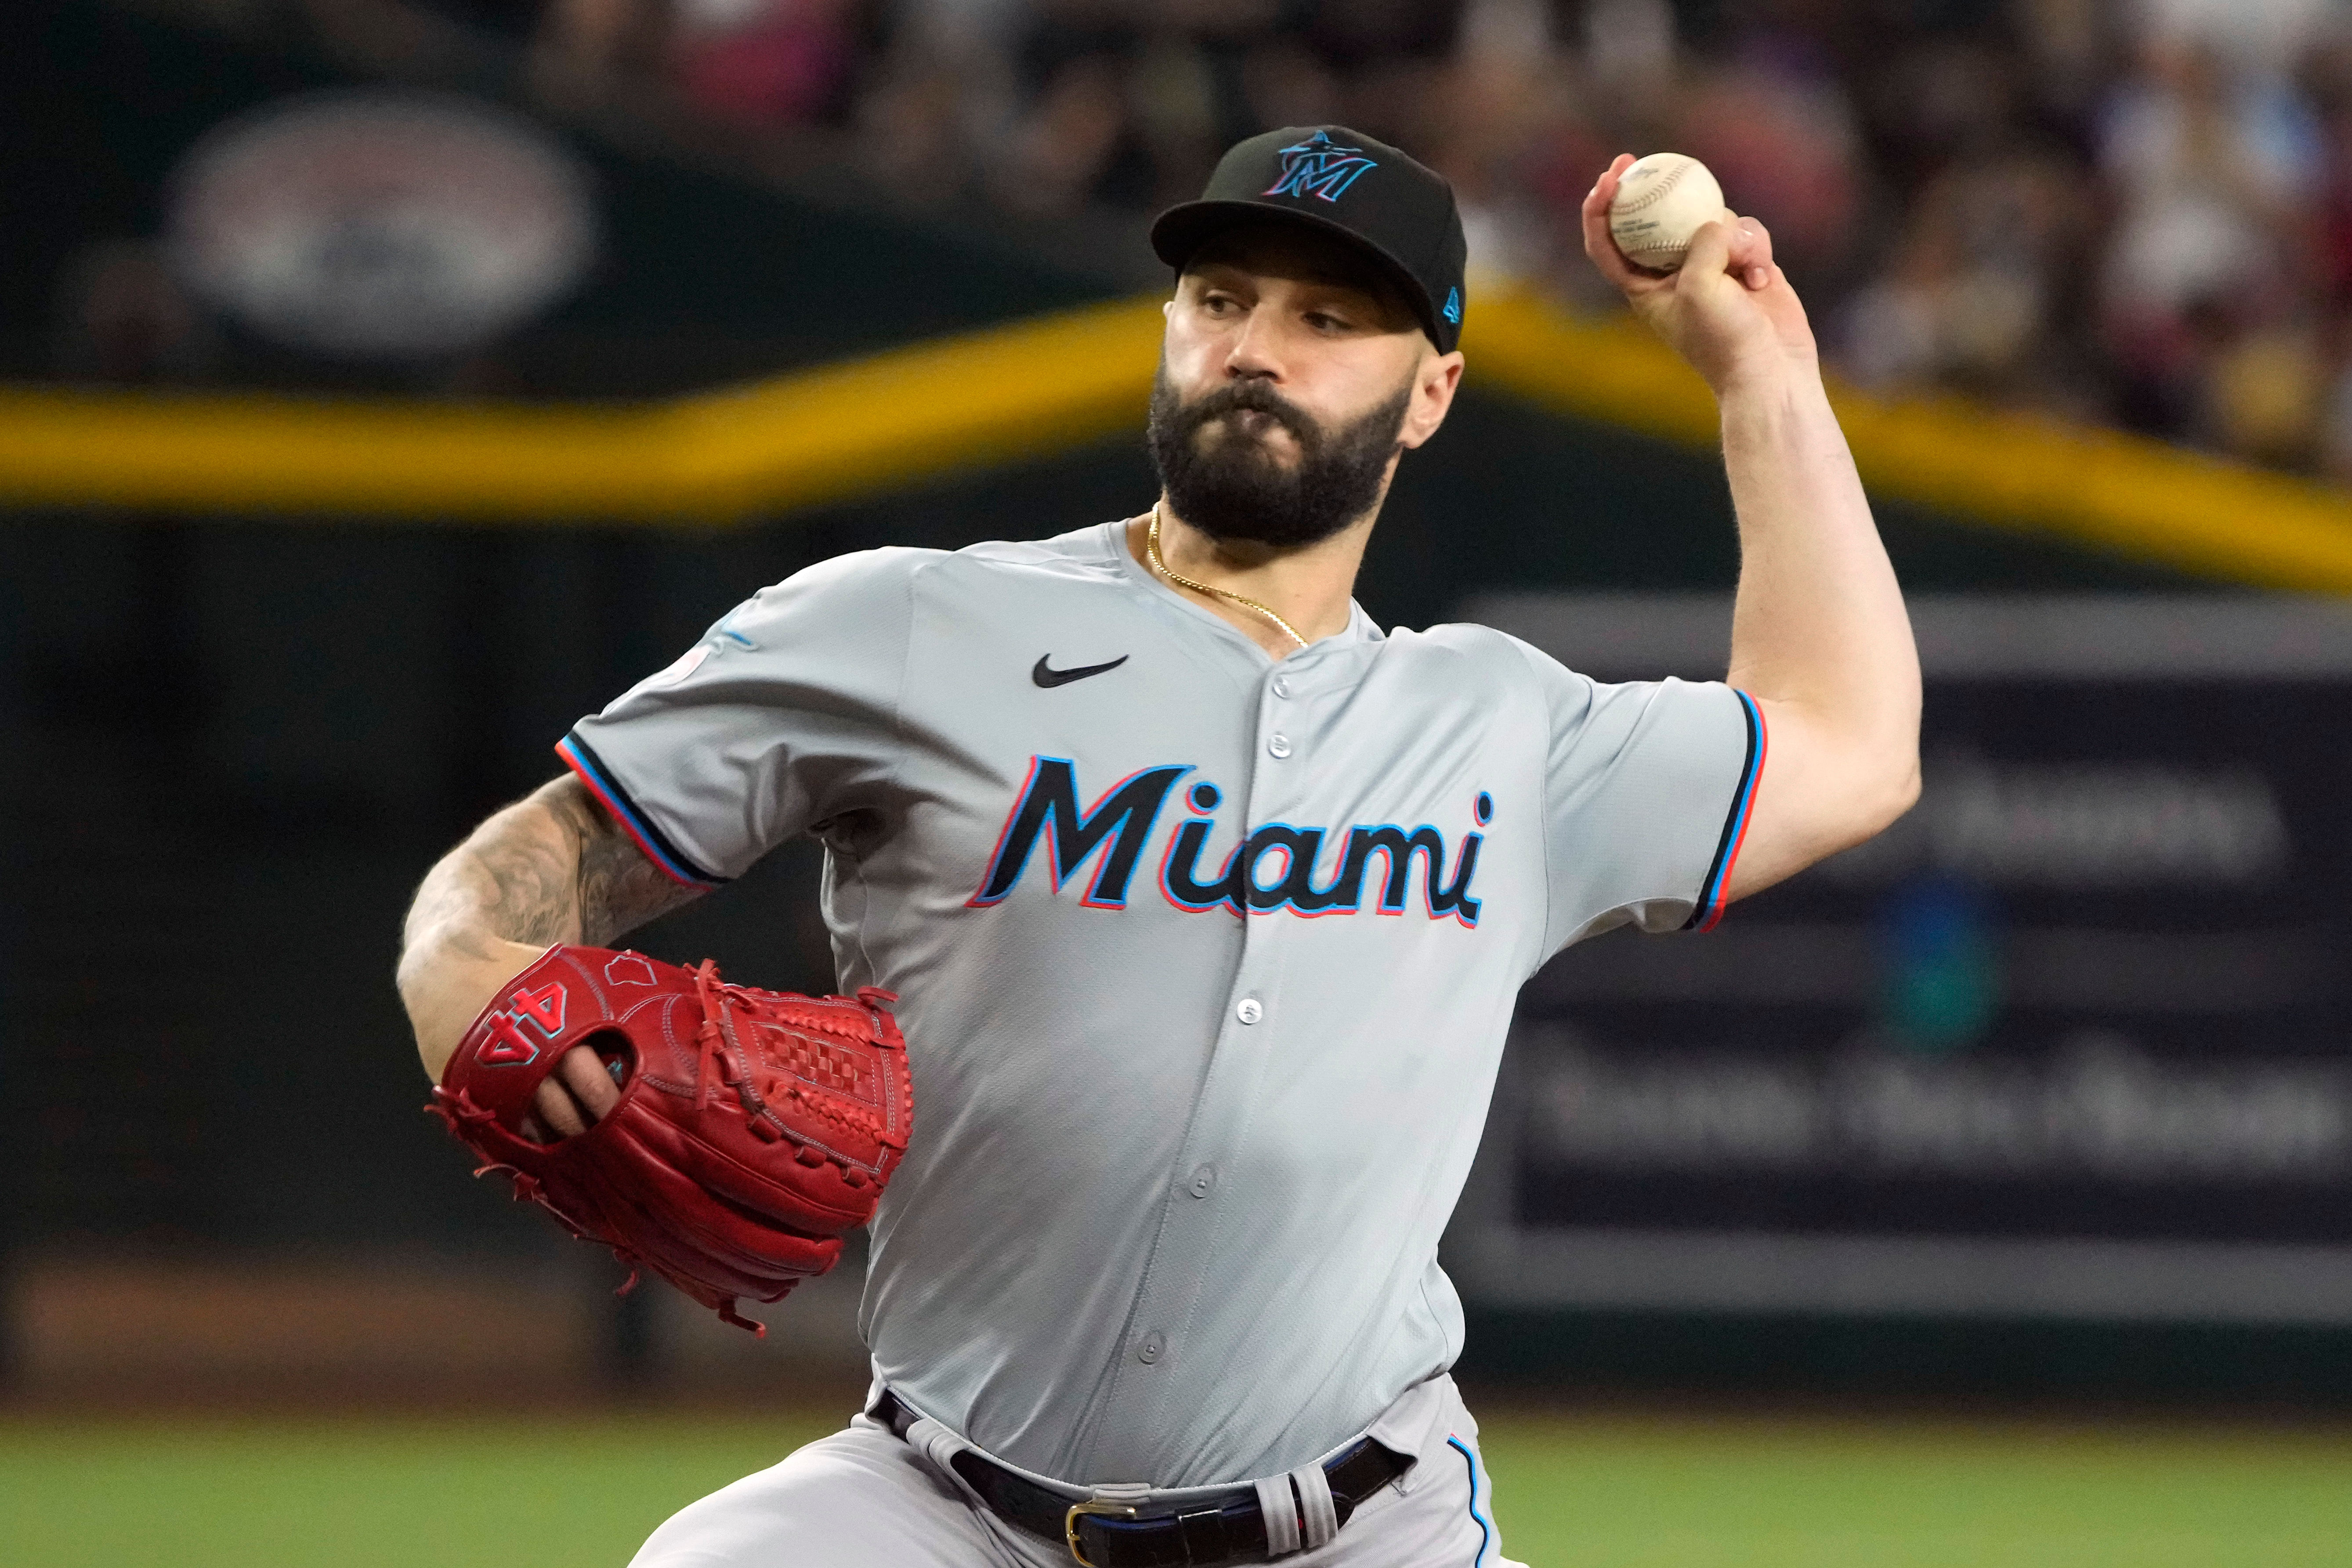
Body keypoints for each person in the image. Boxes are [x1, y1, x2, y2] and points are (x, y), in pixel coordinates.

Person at [397, 125, 1920, 1568]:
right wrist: (467, 966)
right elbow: (558, 850)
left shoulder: (1508, 733)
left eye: (1330, 315)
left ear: (1433, 390)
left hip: (1363, 1522)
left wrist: (1761, 372)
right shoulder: (914, 621)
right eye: (1219, 297)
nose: (1256, 345)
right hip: (938, 1507)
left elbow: (1849, 746)